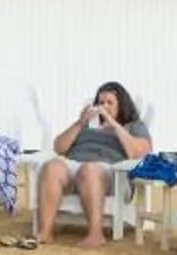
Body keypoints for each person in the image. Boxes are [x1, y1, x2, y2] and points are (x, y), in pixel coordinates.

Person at [33, 81, 153, 245]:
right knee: (52, 167)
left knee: (89, 169)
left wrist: (114, 125)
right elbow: (59, 147)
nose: (104, 106)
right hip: (74, 165)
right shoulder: (85, 126)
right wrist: (80, 122)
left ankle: (95, 234)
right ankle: (45, 231)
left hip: (111, 171)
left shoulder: (133, 126)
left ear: (122, 105)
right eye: (101, 102)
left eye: (110, 103)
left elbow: (139, 152)